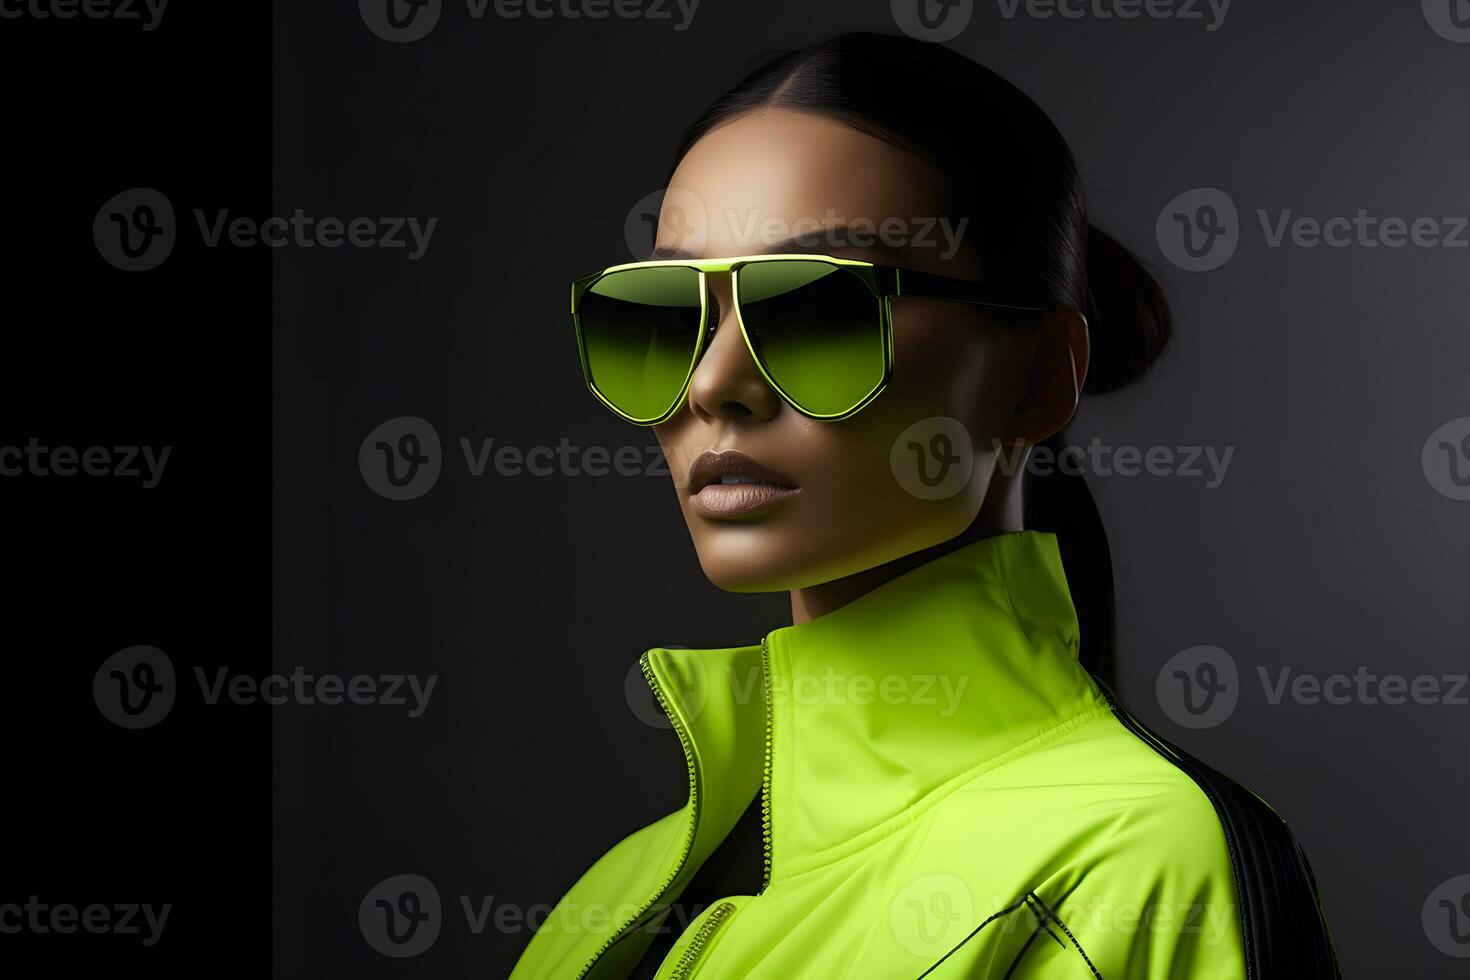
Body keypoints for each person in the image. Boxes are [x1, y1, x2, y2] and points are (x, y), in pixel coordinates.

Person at [513, 32, 1339, 979]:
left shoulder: (1137, 862)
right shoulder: (610, 896)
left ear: (1034, 381)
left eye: (819, 308)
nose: (712, 384)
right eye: (663, 317)